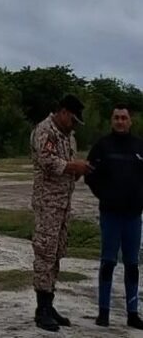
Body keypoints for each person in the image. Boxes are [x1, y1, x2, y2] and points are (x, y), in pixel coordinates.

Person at [30, 94, 92, 332]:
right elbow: (47, 161)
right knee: (45, 253)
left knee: (57, 252)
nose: (74, 124)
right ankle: (41, 308)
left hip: (63, 204)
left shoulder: (69, 137)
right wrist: (72, 167)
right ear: (64, 112)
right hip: (48, 204)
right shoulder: (45, 130)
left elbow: (69, 163)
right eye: (73, 119)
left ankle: (49, 303)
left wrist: (78, 170)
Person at [84, 104, 143, 329]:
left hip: (133, 216)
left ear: (130, 121)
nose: (120, 121)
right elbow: (90, 176)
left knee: (132, 265)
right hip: (110, 214)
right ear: (112, 120)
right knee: (108, 262)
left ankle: (132, 314)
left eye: (124, 118)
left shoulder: (139, 146)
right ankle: (104, 313)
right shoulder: (102, 146)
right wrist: (104, 195)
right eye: (116, 117)